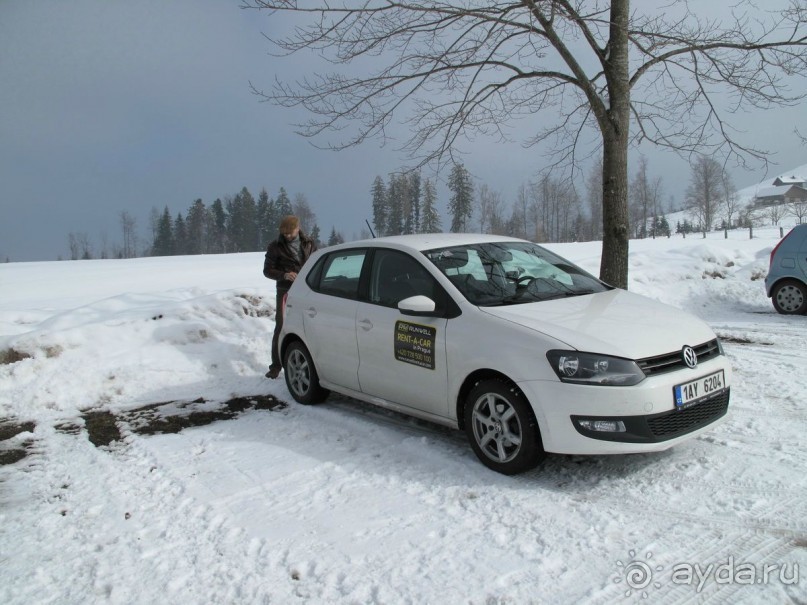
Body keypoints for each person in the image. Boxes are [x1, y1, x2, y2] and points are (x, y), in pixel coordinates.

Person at [263, 215, 317, 379]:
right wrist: (284, 275)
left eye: (290, 233)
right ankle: (275, 366)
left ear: (298, 228)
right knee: (281, 326)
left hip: (308, 290)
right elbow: (267, 270)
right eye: (284, 234)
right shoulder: (275, 247)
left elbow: (316, 263)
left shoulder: (309, 243)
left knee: (310, 326)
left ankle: (310, 363)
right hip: (285, 291)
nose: (287, 236)